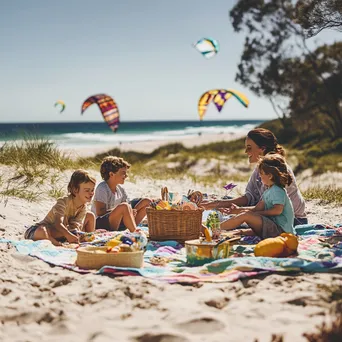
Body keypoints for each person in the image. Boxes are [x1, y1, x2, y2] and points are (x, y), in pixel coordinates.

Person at [202, 128, 307, 226]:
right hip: (272, 216)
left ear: (262, 148)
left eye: (249, 148)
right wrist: (217, 204)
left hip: (292, 220)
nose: (246, 152)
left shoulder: (276, 170)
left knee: (234, 221)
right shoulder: (261, 168)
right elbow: (249, 197)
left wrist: (237, 211)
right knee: (225, 214)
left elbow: (270, 208)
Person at [218, 154, 295, 238]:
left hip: (281, 231)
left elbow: (277, 210)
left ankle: (214, 229)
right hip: (273, 227)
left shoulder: (277, 190)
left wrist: (258, 214)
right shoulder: (269, 191)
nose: (259, 176)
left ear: (270, 176)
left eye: (261, 173)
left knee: (246, 215)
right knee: (245, 216)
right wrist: (237, 210)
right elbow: (256, 208)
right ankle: (218, 229)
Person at [24, 169, 96, 246]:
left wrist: (77, 235)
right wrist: (69, 235)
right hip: (38, 231)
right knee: (41, 231)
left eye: (92, 190)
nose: (91, 193)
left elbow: (75, 227)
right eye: (87, 190)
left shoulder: (83, 207)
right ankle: (58, 245)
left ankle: (88, 241)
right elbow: (57, 223)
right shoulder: (63, 202)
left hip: (60, 234)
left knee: (90, 216)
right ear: (75, 190)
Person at [91, 156, 151, 232]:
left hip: (119, 221)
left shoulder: (120, 189)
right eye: (123, 173)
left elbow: (127, 205)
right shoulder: (102, 188)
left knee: (147, 201)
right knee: (124, 207)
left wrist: (131, 211)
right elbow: (100, 213)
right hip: (100, 223)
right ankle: (135, 231)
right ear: (111, 174)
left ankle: (131, 227)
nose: (126, 176)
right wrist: (120, 210)